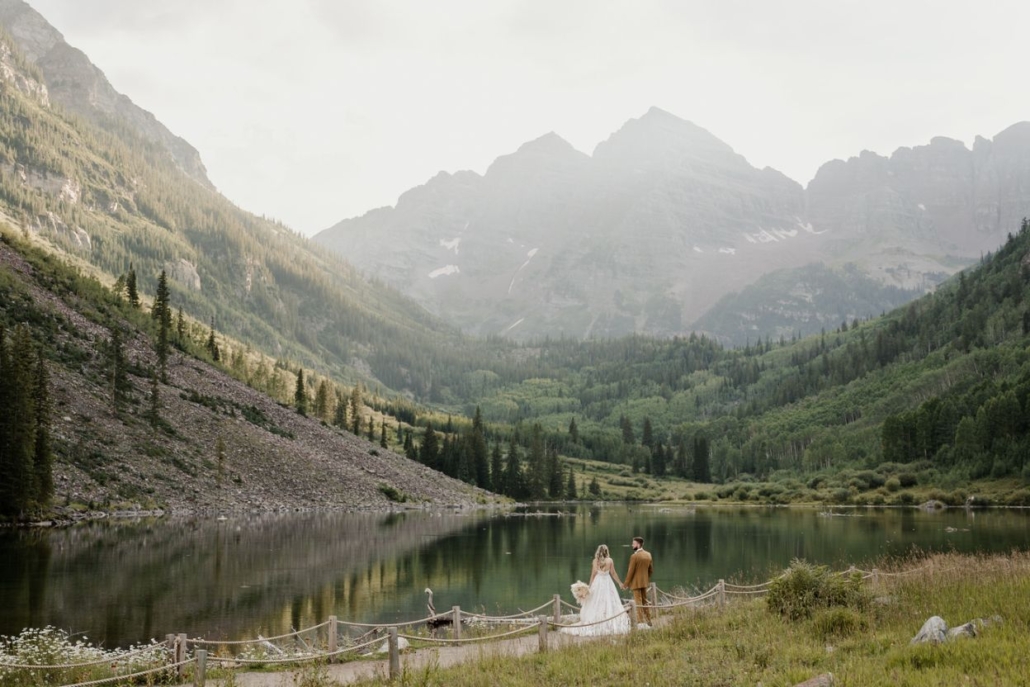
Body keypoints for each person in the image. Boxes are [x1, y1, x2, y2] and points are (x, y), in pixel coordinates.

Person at [563, 544, 630, 636]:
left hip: (597, 582)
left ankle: (595, 620)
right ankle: (607, 618)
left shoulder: (595, 561)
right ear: (606, 551)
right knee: (608, 600)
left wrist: (589, 587)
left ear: (598, 552)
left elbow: (593, 575)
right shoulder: (610, 560)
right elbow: (613, 573)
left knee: (595, 600)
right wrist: (619, 583)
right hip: (607, 582)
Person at [622, 536, 653, 627]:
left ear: (638, 545)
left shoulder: (634, 556)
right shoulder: (648, 554)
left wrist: (626, 584)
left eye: (633, 543)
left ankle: (640, 621)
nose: (632, 545)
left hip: (636, 583)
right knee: (645, 601)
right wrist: (646, 578)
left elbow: (630, 572)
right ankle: (648, 619)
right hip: (644, 582)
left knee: (638, 602)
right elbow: (651, 570)